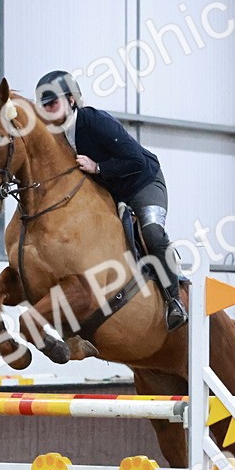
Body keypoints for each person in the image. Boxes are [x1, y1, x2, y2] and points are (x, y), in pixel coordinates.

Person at [35, 70, 187, 331]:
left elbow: (135, 160)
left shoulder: (94, 121)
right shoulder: (56, 136)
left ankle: (175, 299)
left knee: (151, 230)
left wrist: (98, 168)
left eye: (53, 103)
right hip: (110, 191)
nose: (49, 110)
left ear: (71, 100)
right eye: (44, 106)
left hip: (143, 182)